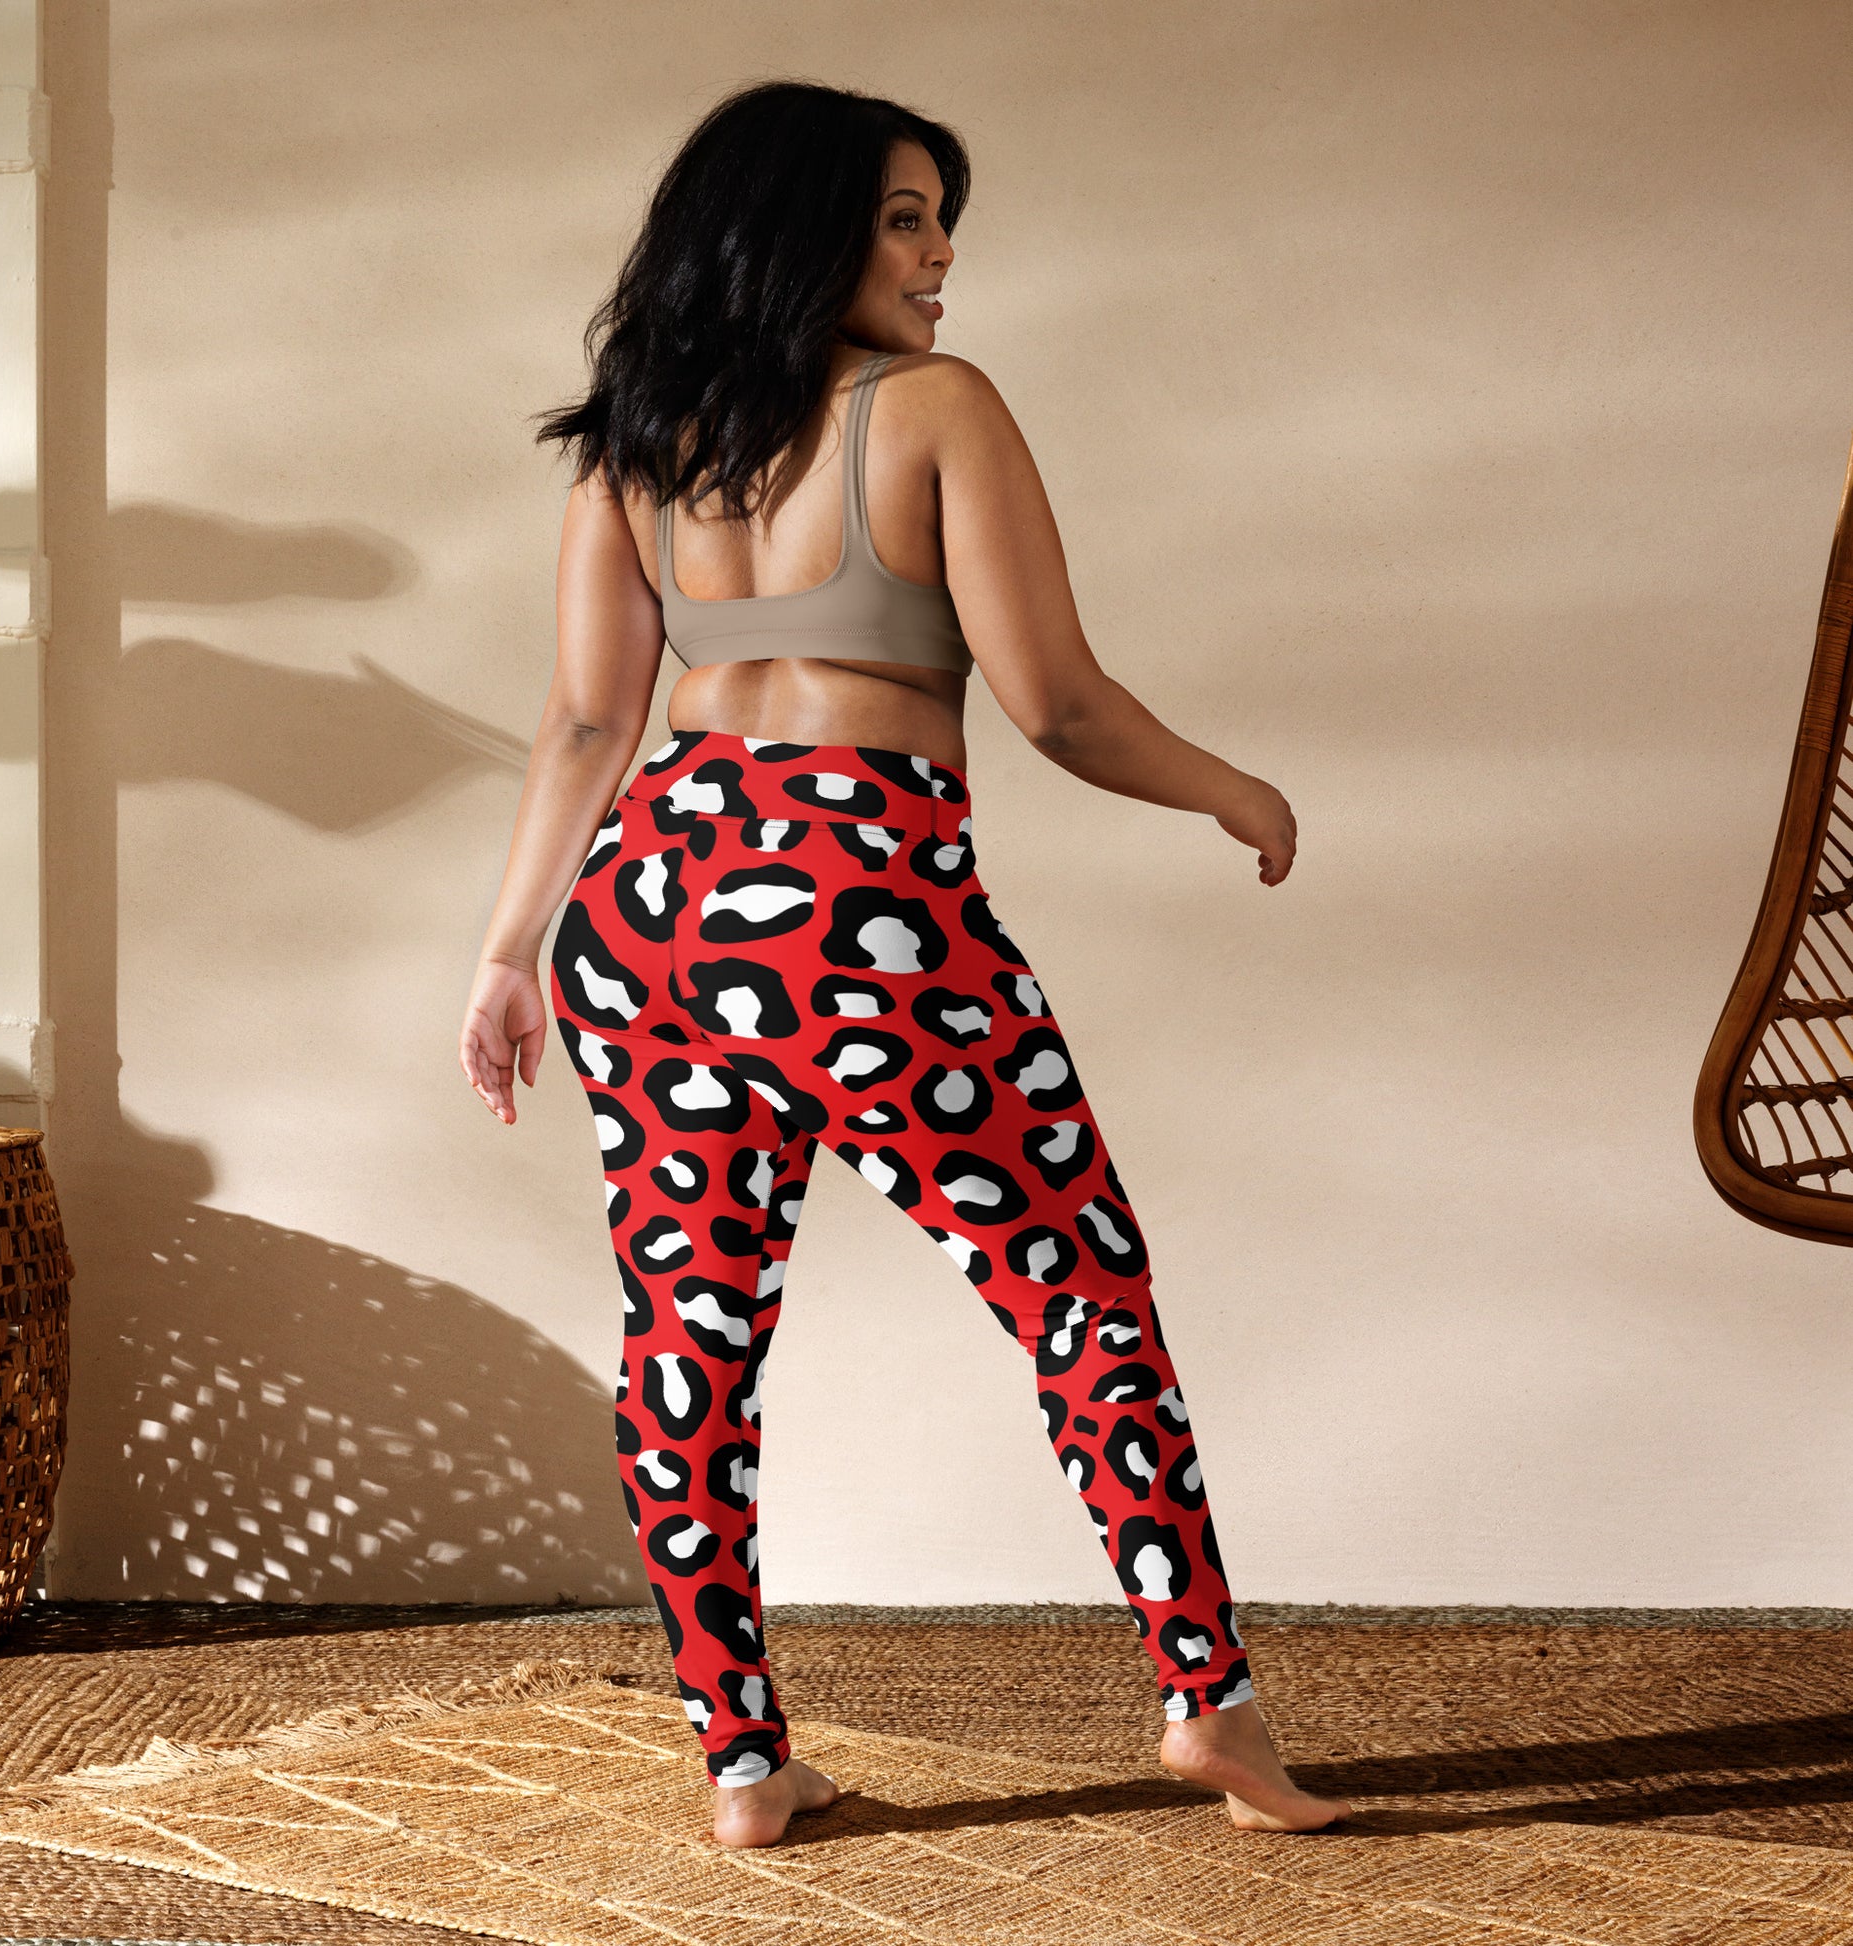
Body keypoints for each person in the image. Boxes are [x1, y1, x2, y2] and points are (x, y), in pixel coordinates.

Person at [460, 79, 1348, 1850]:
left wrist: (506, 955)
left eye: (943, 222)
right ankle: (1208, 1703)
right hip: (856, 898)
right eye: (903, 218)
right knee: (1079, 1289)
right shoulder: (936, 410)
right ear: (800, 229)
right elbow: (1059, 704)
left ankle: (739, 1761)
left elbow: (583, 723)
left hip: (647, 904)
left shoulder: (639, 440)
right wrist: (1229, 786)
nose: (941, 258)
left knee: (689, 1339)